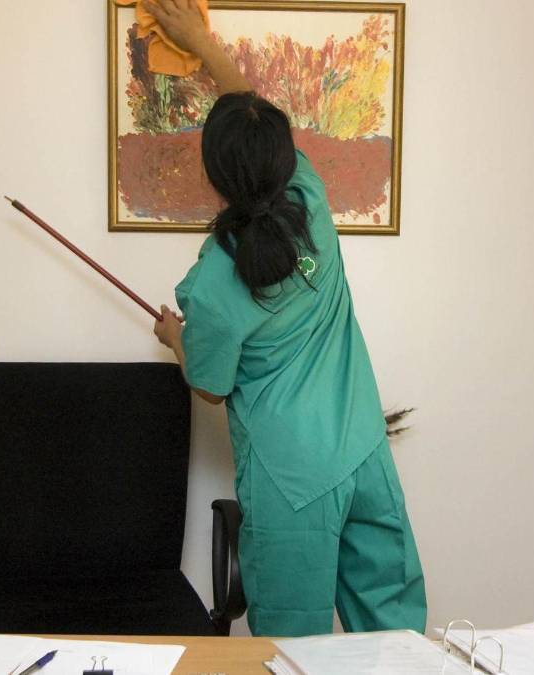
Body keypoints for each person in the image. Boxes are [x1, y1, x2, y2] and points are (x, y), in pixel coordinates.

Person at [147, 0, 427, 637]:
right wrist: (202, 42)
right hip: (362, 447)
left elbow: (210, 386)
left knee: (290, 646)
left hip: (291, 478)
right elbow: (252, 112)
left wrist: (176, 338)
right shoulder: (310, 198)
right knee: (394, 634)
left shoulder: (214, 281)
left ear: (215, 176)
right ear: (279, 153)